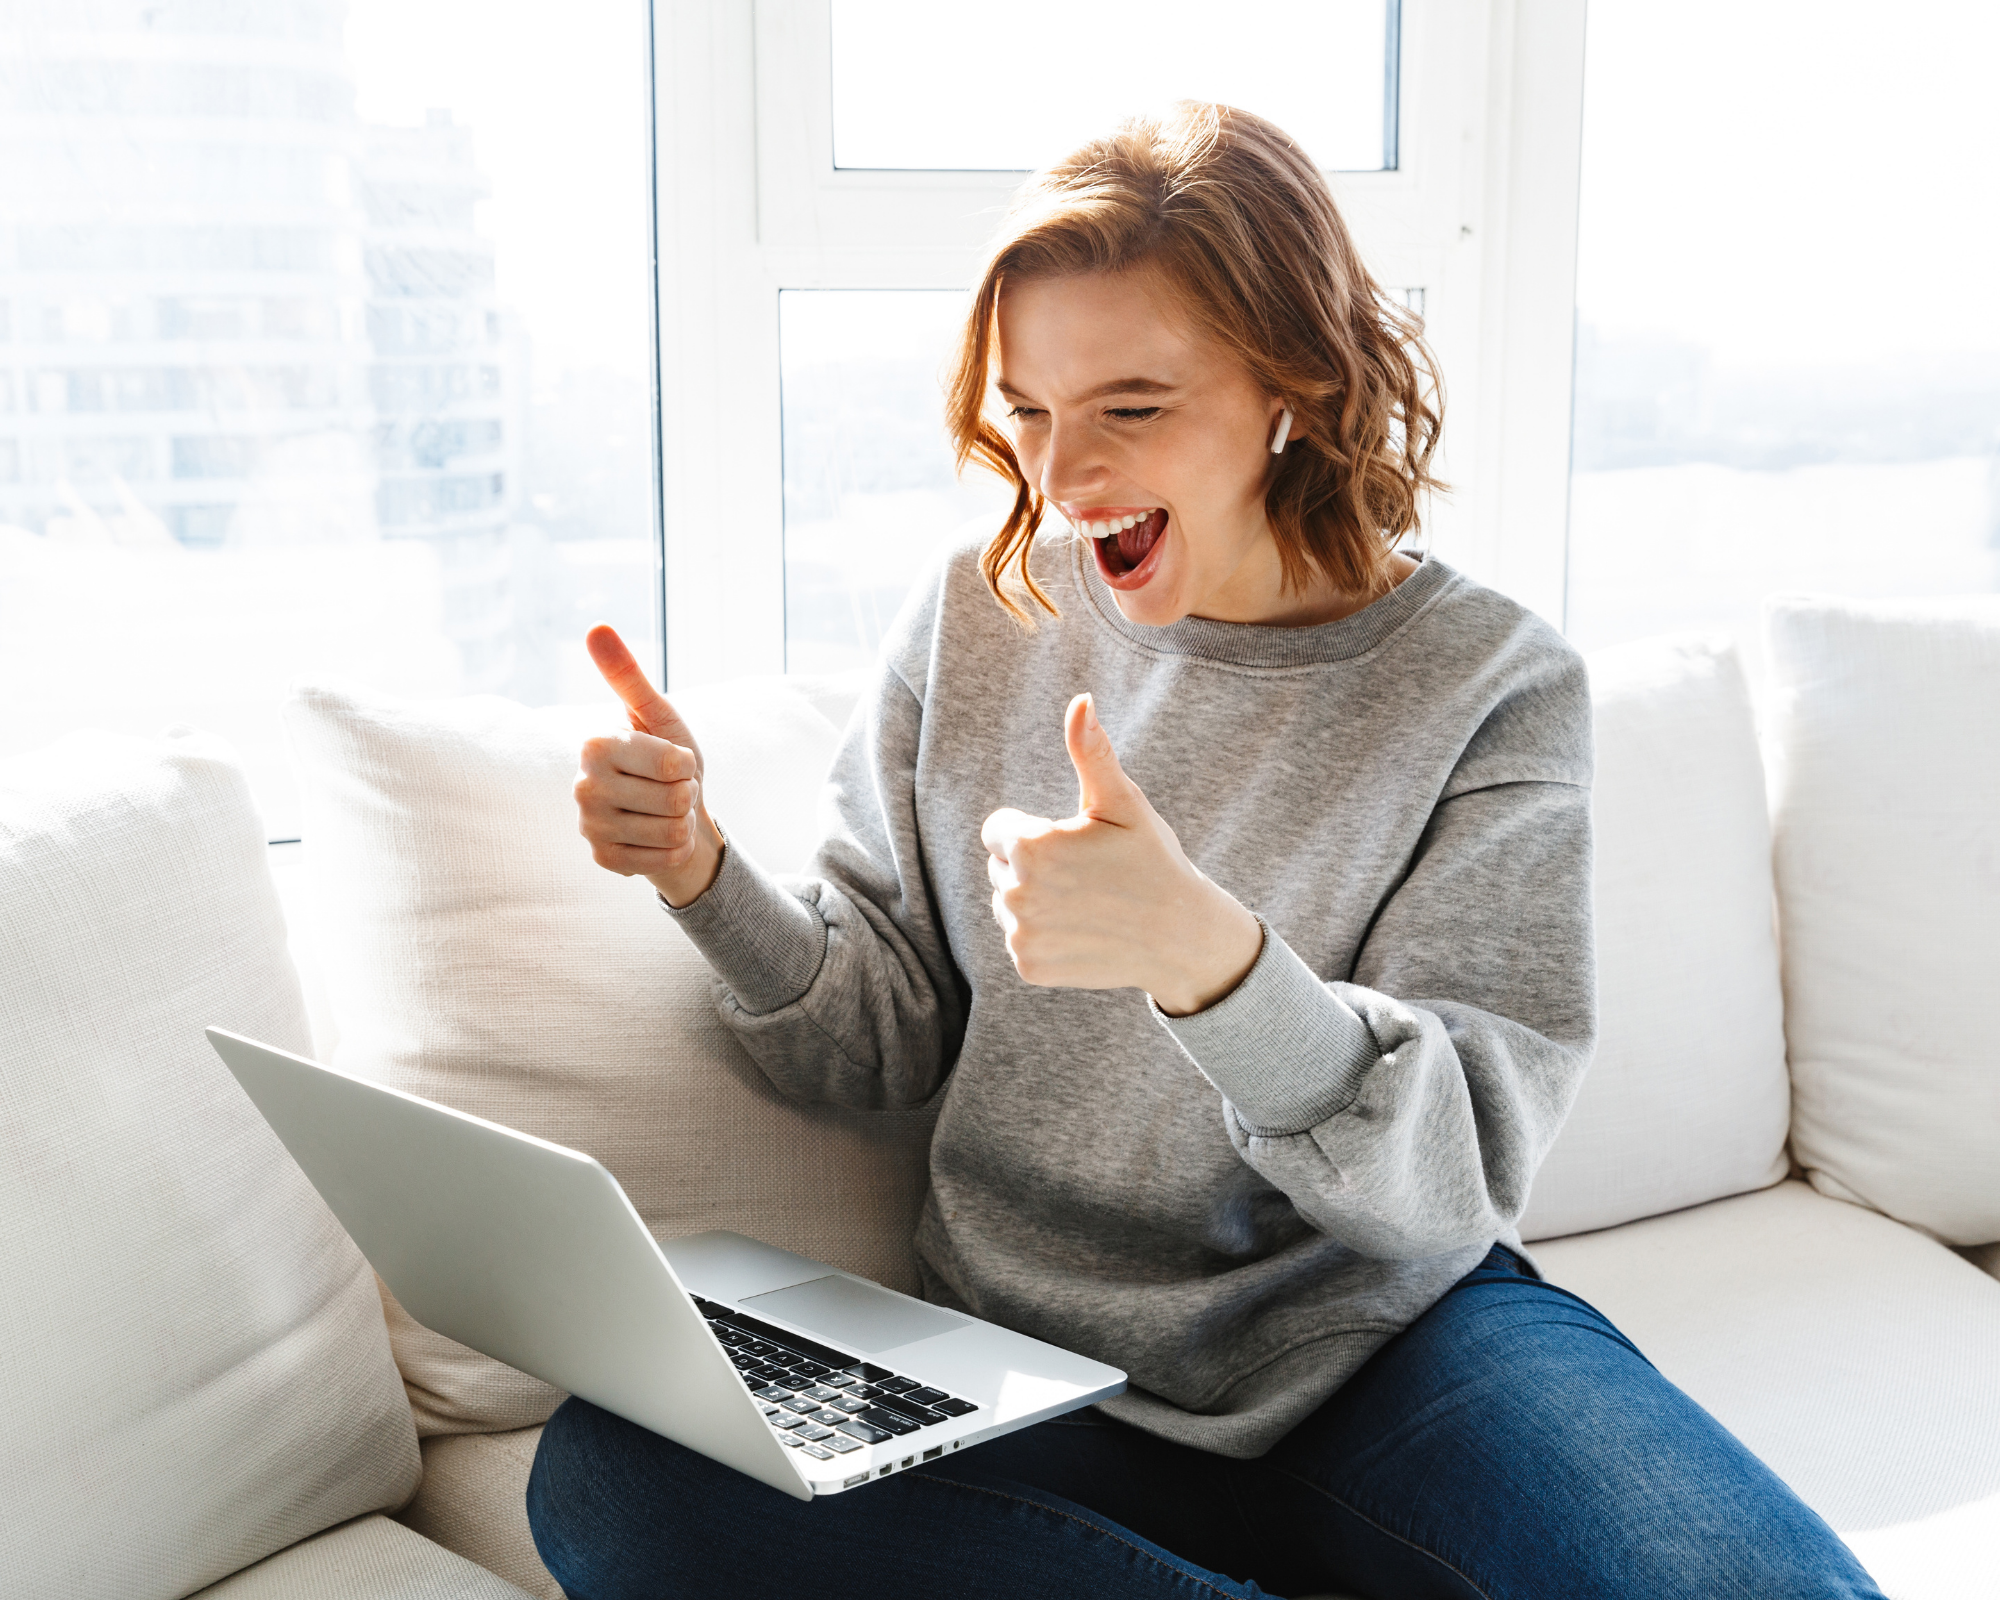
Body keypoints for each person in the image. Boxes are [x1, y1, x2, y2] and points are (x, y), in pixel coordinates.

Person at [533, 102, 1882, 1600]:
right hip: (1015, 1365)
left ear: (1294, 388)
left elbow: (1452, 1186)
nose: (1066, 475)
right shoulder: (982, 622)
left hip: (1388, 1345)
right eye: (1030, 412)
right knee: (618, 1465)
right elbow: (872, 1044)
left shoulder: (1493, 684)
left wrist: (1211, 963)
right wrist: (703, 875)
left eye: (1132, 405)